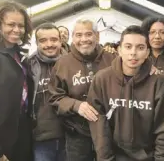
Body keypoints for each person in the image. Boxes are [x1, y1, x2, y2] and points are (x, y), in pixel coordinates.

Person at [87, 25, 164, 161]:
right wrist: (105, 158)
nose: (133, 53)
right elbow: (99, 126)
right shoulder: (102, 79)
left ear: (147, 52)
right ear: (119, 50)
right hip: (113, 156)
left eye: (140, 48)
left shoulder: (159, 82)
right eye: (128, 47)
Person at [48, 17, 116, 161]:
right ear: (72, 38)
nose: (84, 39)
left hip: (109, 132)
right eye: (78, 35)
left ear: (97, 36)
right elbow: (55, 98)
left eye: (88, 34)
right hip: (77, 134)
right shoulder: (62, 64)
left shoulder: (112, 59)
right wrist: (76, 105)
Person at [0, 1, 34, 161]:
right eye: (11, 24)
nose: (17, 30)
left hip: (21, 132)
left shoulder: (18, 53)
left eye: (21, 26)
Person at [29, 23, 65, 161]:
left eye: (54, 39)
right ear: (36, 43)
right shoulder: (28, 65)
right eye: (43, 40)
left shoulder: (71, 63)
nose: (49, 44)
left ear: (61, 41)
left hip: (70, 137)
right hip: (40, 139)